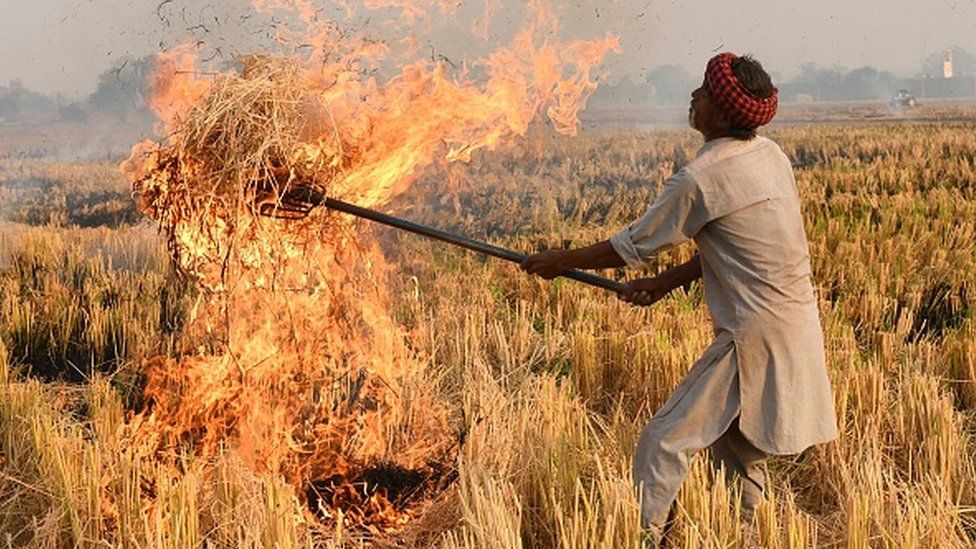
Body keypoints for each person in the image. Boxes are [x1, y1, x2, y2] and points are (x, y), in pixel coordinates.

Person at [519, 52, 838, 546]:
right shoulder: (770, 156)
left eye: (705, 93)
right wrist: (668, 282)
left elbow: (632, 246)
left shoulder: (700, 178)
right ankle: (745, 538)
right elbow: (735, 244)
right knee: (740, 452)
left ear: (724, 113)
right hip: (794, 326)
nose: (695, 97)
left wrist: (562, 261)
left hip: (751, 339)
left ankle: (641, 538)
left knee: (663, 440)